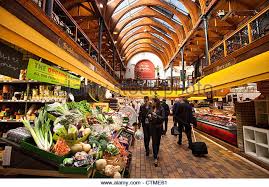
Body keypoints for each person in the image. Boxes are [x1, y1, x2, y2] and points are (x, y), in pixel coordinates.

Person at [148, 98, 165, 166]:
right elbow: (148, 114)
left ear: (156, 102)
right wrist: (149, 117)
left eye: (153, 101)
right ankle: (155, 157)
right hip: (153, 127)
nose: (151, 102)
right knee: (154, 141)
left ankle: (156, 153)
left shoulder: (161, 108)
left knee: (158, 141)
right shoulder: (152, 108)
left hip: (159, 127)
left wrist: (156, 115)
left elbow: (163, 118)